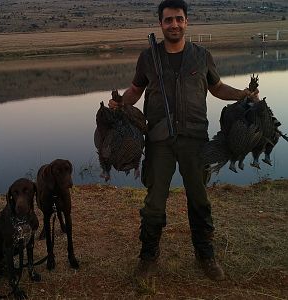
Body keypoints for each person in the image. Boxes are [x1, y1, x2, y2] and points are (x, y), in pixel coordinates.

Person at [109, 0, 259, 281]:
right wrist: (118, 104)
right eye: (168, 20)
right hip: (159, 140)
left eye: (179, 19)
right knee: (154, 201)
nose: (174, 24)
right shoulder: (147, 57)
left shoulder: (202, 56)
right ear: (161, 24)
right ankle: (148, 257)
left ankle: (206, 255)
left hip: (194, 139)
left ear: (186, 22)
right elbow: (134, 90)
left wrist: (244, 95)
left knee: (199, 198)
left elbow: (216, 88)